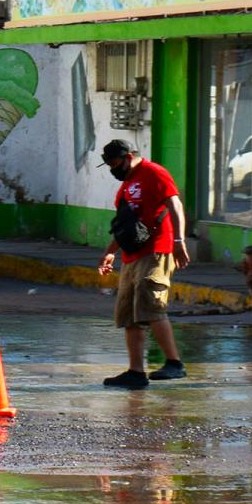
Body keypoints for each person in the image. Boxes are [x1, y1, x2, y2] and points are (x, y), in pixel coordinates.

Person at [96, 139, 190, 389]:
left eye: (115, 164)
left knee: (152, 305)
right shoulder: (126, 185)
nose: (113, 170)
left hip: (156, 250)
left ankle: (174, 363)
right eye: (109, 165)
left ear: (128, 157)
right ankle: (135, 372)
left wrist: (179, 240)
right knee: (129, 315)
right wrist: (110, 252)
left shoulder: (154, 173)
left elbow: (175, 205)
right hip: (132, 255)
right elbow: (125, 224)